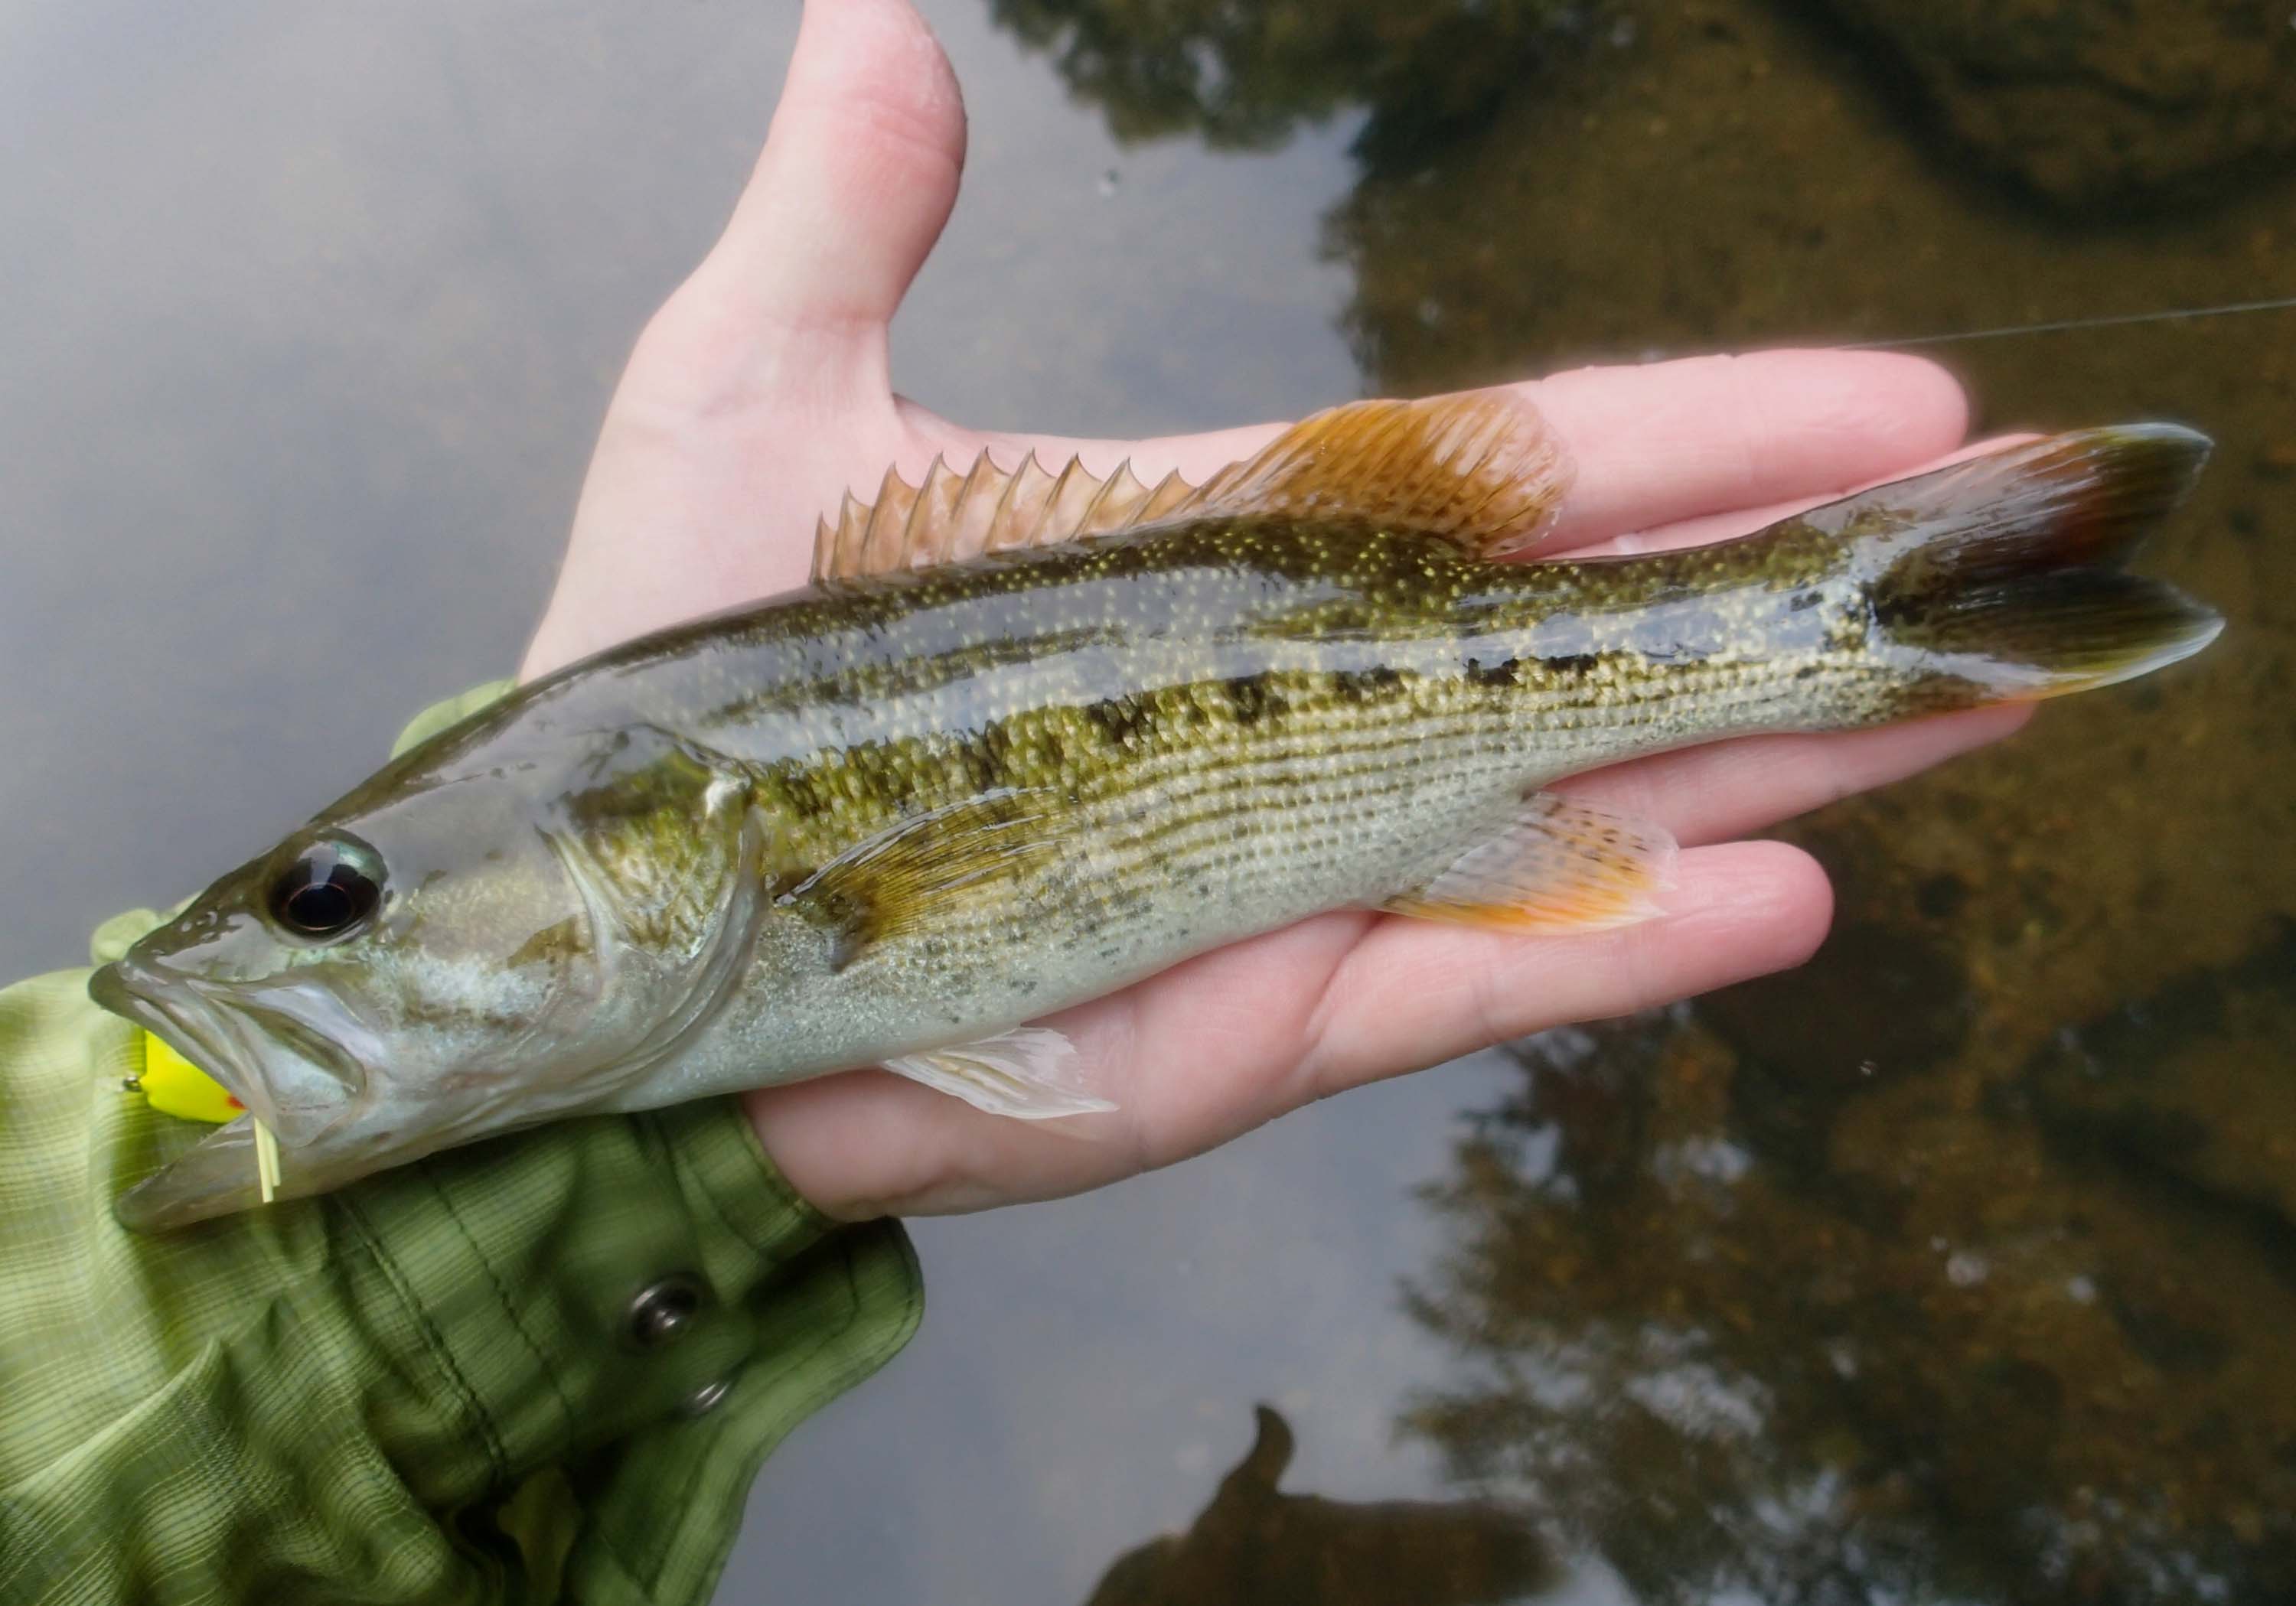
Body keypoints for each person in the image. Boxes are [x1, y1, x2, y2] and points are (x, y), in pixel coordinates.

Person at [0, 2, 2020, 1601]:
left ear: (648, 829)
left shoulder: (728, 883)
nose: (309, 928)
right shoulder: (667, 923)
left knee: (1828, 616)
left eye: (334, 895)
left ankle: (1862, 607)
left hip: (1391, 709)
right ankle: (1894, 606)